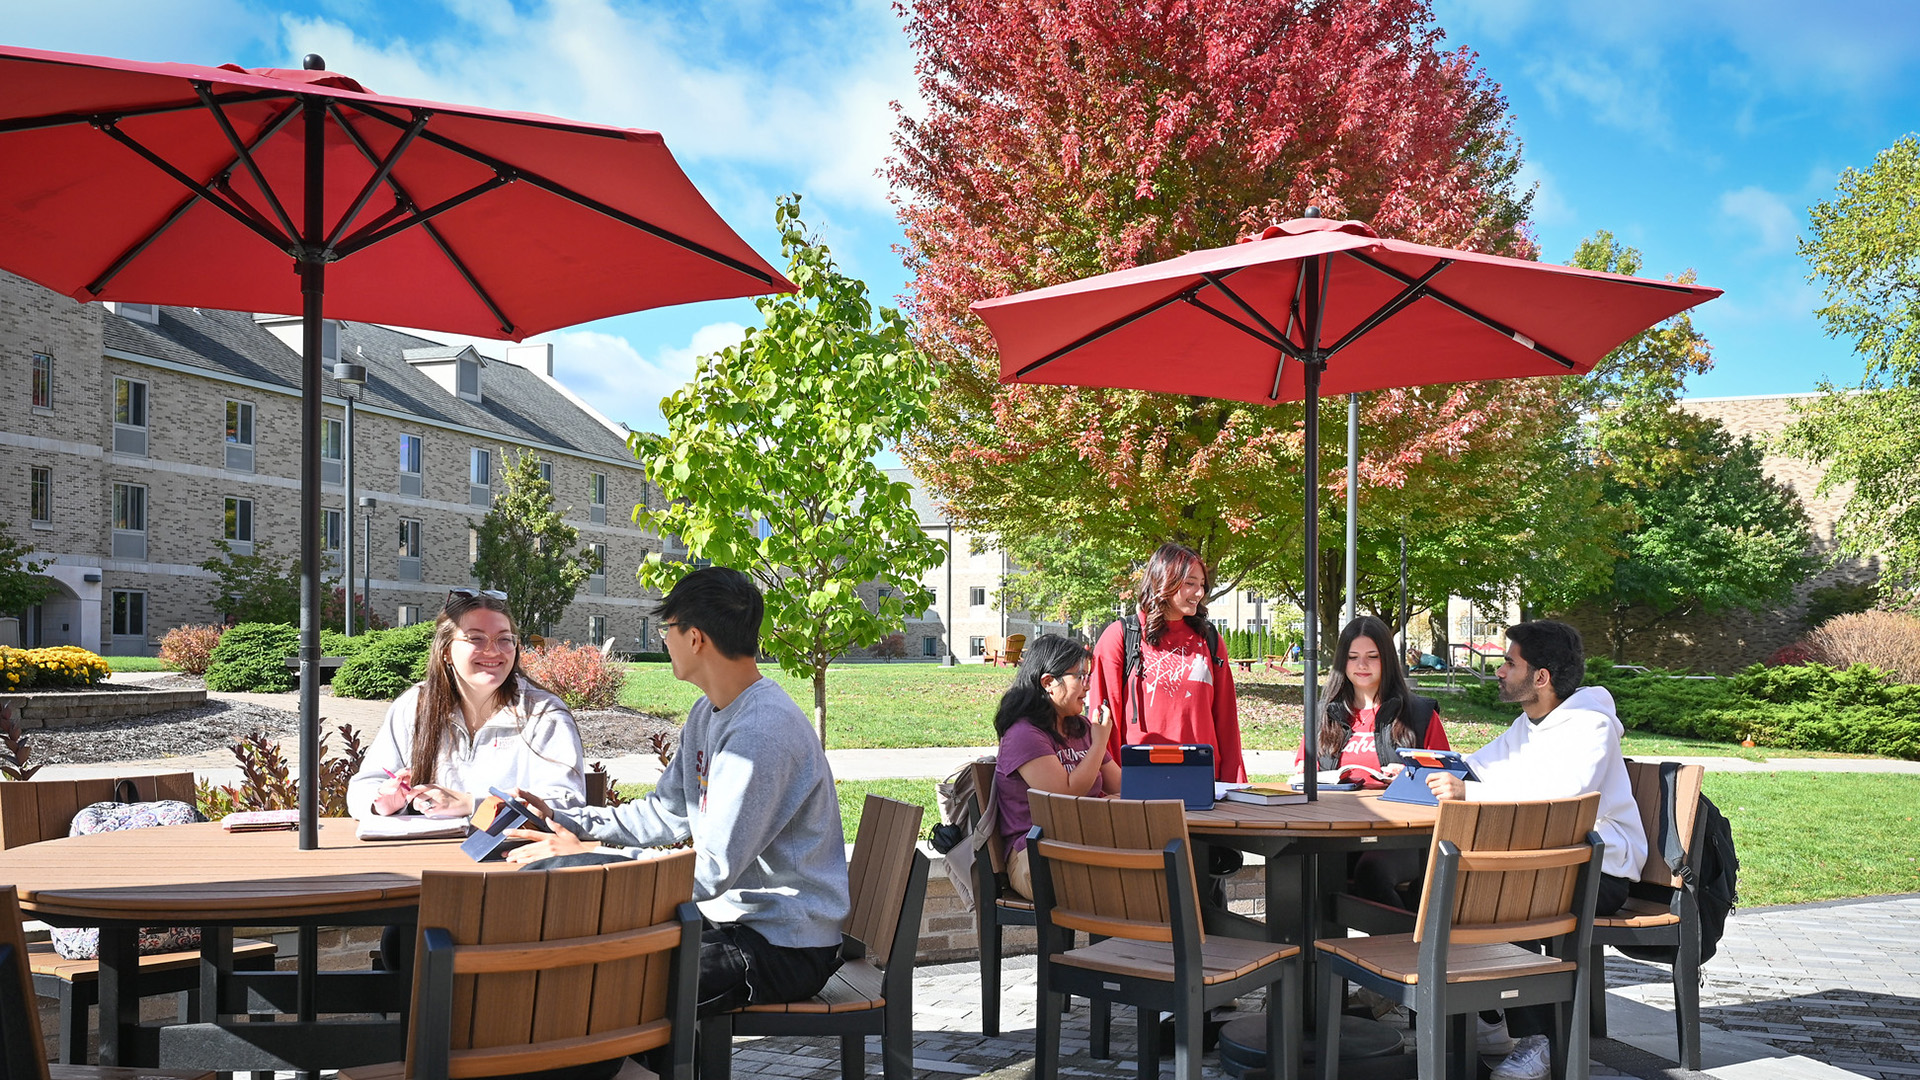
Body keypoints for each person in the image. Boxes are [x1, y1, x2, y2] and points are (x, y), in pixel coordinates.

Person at [504, 567, 850, 1019]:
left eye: (667, 628)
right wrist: (565, 818)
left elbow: (708, 873)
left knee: (608, 986)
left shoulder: (761, 734)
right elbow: (665, 813)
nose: (663, 639)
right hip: (731, 921)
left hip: (782, 945)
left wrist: (588, 855)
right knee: (588, 960)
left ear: (696, 638)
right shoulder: (710, 711)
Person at [1422, 620, 1647, 1080]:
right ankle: (1487, 1017)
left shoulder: (1592, 727)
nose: (1500, 670)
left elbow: (1562, 800)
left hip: (1602, 868)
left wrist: (1470, 795)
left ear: (1541, 677)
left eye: (1510, 662)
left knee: (1504, 898)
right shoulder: (1530, 722)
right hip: (1550, 860)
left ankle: (1539, 1039)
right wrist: (1418, 765)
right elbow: (1478, 767)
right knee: (1447, 882)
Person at [347, 588, 586, 821]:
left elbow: (566, 803)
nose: (493, 651)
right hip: (422, 855)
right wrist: (384, 803)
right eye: (476, 638)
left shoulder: (543, 713)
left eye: (504, 639)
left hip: (512, 855)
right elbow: (363, 788)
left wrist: (470, 804)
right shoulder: (415, 705)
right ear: (446, 652)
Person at [1293, 615, 1451, 909]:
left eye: (1372, 657)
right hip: (1335, 833)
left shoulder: (1419, 714)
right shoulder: (1322, 715)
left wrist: (1409, 776)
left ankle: (1405, 950)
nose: (1361, 665)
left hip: (1402, 836)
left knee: (1371, 871)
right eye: (1353, 657)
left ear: (1387, 660)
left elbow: (1447, 782)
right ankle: (1319, 953)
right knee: (1302, 868)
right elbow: (1304, 772)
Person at [1088, 542, 1246, 783]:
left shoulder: (1210, 640)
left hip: (1201, 781)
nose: (1199, 592)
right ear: (1164, 581)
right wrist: (1114, 787)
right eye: (1190, 583)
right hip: (1136, 783)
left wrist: (1235, 785)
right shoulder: (1120, 636)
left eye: (1202, 584)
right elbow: (1102, 723)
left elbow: (1227, 722)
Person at [992, 634, 1121, 899]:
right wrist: (1099, 743)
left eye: (1090, 676)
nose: (1088, 686)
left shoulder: (1082, 727)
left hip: (1086, 841)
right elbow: (1064, 795)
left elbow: (1120, 786)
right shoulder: (1024, 734)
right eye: (1080, 676)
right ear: (1049, 682)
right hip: (1036, 853)